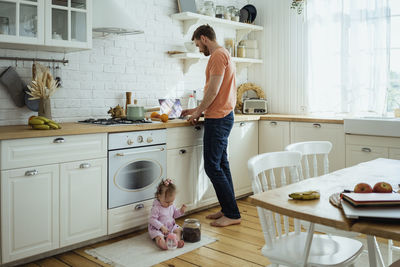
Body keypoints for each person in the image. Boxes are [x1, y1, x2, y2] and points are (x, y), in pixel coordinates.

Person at [181, 24, 241, 227]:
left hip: (218, 119)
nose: (199, 49)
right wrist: (196, 109)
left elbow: (214, 91)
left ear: (204, 38)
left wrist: (198, 112)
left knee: (212, 167)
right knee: (221, 165)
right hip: (222, 115)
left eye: (198, 45)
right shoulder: (224, 54)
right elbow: (216, 92)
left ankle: (232, 214)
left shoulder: (217, 56)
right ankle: (228, 209)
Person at [148, 179, 186, 250]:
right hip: (158, 229)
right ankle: (164, 244)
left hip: (170, 226)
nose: (169, 204)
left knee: (179, 230)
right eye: (167, 202)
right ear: (159, 196)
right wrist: (161, 227)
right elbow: (152, 220)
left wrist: (181, 211)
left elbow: (175, 215)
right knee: (159, 236)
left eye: (171, 201)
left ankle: (176, 241)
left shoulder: (171, 205)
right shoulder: (156, 208)